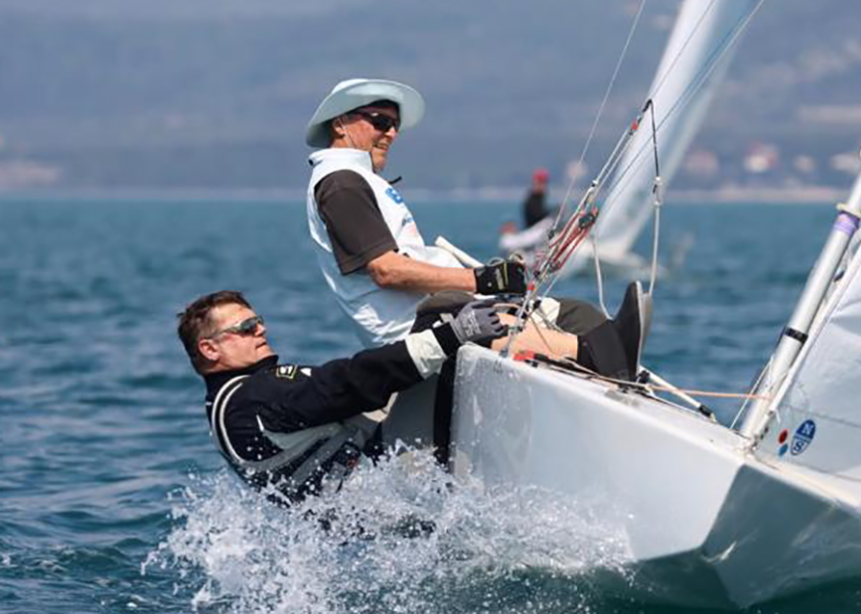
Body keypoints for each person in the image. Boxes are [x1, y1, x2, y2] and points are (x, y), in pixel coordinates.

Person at [178, 289, 643, 503]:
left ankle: (583, 345)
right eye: (245, 327)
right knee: (445, 320)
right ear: (210, 349)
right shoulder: (249, 402)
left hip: (377, 477)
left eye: (258, 321)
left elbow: (346, 397)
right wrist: (450, 336)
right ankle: (598, 354)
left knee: (440, 316)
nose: (260, 330)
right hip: (390, 486)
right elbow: (345, 384)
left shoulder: (239, 398)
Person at [304, 78, 528, 349]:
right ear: (340, 124)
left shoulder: (355, 178)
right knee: (574, 343)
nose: (392, 134)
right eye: (380, 122)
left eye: (395, 125)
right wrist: (483, 280)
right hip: (421, 332)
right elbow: (386, 270)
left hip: (445, 315)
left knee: (569, 316)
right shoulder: (341, 183)